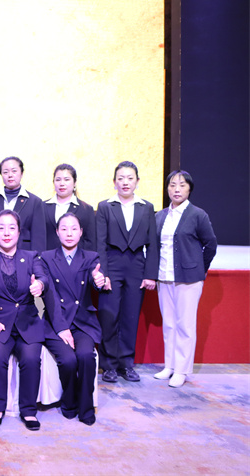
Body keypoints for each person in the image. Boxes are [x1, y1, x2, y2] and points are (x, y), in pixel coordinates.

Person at [0, 210, 49, 431]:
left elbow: (43, 277)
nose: (6, 233)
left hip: (27, 322)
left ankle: (29, 411)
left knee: (31, 359)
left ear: (19, 231)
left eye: (11, 228)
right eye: (1, 228)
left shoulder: (32, 256)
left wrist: (40, 285)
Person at [96, 161, 158, 383]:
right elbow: (100, 243)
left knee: (130, 317)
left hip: (136, 266)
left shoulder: (146, 207)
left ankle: (126, 364)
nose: (125, 182)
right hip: (111, 264)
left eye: (130, 178)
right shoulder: (105, 206)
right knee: (109, 316)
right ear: (114, 182)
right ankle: (109, 366)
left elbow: (152, 244)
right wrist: (103, 273)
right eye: (121, 178)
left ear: (137, 182)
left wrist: (150, 274)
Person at [41, 213, 105, 426]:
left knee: (86, 356)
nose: (69, 233)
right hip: (56, 321)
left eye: (74, 228)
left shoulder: (91, 257)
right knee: (68, 360)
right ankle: (69, 402)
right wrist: (61, 328)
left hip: (83, 322)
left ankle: (86, 407)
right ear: (57, 232)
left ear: (81, 232)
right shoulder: (46, 258)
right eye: (64, 229)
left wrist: (99, 281)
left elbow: (96, 279)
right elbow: (49, 295)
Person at [154, 170, 217, 388]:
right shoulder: (160, 216)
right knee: (169, 324)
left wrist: (199, 269)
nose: (176, 189)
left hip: (189, 279)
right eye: (172, 185)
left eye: (182, 185)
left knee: (185, 325)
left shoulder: (198, 215)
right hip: (164, 277)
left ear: (189, 188)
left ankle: (181, 370)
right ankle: (169, 366)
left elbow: (210, 245)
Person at [0, 156, 46, 252]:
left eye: (14, 171)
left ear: (22, 173)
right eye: (5, 172)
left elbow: (38, 238)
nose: (10, 175)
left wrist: (36, 258)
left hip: (25, 254)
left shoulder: (34, 202)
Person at [43, 164, 96, 251]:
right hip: (48, 257)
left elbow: (90, 242)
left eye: (66, 179)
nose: (62, 183)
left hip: (77, 258)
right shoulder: (42, 207)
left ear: (74, 183)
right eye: (58, 180)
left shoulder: (86, 209)